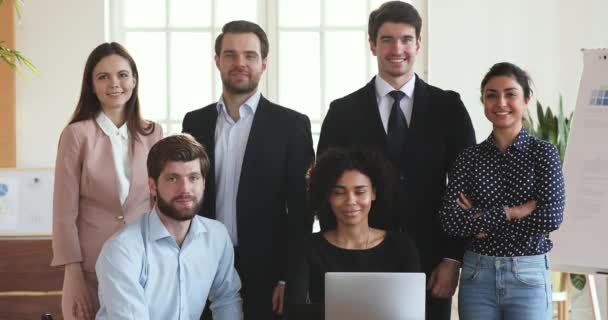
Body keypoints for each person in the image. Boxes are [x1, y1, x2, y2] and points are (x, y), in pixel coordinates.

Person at [316, 2, 476, 318]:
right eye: (387, 39)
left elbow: (468, 190)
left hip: (431, 263)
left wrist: (453, 259)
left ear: (418, 43)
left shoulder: (449, 108)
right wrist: (335, 255)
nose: (397, 48)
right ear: (373, 45)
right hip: (357, 260)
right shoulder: (342, 112)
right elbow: (325, 189)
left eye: (405, 39)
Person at [182, 20, 314, 319]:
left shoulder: (291, 126)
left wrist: (288, 277)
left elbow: (302, 209)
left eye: (250, 55)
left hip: (267, 273)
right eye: (230, 55)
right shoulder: (195, 123)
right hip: (204, 267)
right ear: (217, 61)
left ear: (264, 63)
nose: (239, 63)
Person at [439, 62, 565, 320]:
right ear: (483, 101)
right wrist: (513, 212)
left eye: (510, 94)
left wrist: (478, 219)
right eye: (491, 95)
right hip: (477, 275)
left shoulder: (543, 153)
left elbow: (550, 218)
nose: (501, 103)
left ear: (526, 99)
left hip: (527, 274)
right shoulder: (469, 157)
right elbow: (450, 221)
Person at [51, 42, 163, 320]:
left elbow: (159, 202)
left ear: (134, 81)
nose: (115, 83)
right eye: (103, 76)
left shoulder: (153, 133)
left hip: (141, 267)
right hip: (89, 270)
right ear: (91, 85)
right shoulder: (76, 135)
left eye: (123, 75)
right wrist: (73, 274)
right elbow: (64, 214)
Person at [96, 134, 242, 320]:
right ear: (152, 186)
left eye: (193, 178)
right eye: (173, 178)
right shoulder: (122, 249)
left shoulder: (217, 236)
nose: (185, 189)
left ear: (204, 183)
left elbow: (226, 299)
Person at [287, 147, 420, 306]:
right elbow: (295, 311)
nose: (350, 201)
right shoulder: (309, 248)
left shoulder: (402, 247)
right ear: (328, 196)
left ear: (374, 193)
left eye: (360, 192)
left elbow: (413, 309)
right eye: (339, 192)